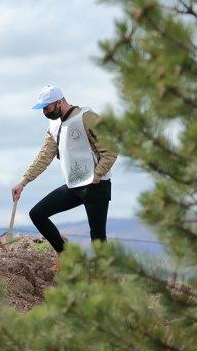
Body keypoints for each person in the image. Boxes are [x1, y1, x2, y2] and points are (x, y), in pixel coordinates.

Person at [11, 85, 118, 271]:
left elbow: (111, 150)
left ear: (60, 102)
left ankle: (105, 280)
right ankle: (64, 254)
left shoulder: (87, 116)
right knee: (37, 214)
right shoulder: (53, 126)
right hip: (74, 185)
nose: (44, 112)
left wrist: (96, 175)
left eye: (47, 107)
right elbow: (44, 157)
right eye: (42, 108)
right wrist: (23, 182)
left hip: (96, 185)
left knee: (98, 238)